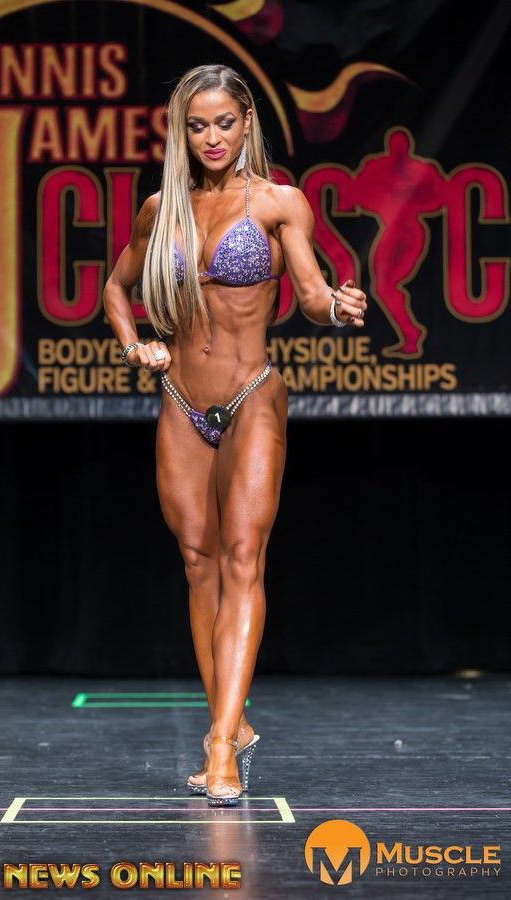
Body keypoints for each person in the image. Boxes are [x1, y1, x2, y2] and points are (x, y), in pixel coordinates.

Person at [102, 64, 367, 806]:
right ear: (181, 133)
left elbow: (309, 294)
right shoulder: (162, 208)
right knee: (199, 563)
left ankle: (219, 744)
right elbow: (116, 288)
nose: (212, 137)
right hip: (180, 398)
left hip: (252, 396)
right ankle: (234, 718)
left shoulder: (280, 202)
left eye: (224, 122)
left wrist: (336, 308)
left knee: (243, 559)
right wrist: (134, 346)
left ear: (247, 122)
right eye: (197, 125)